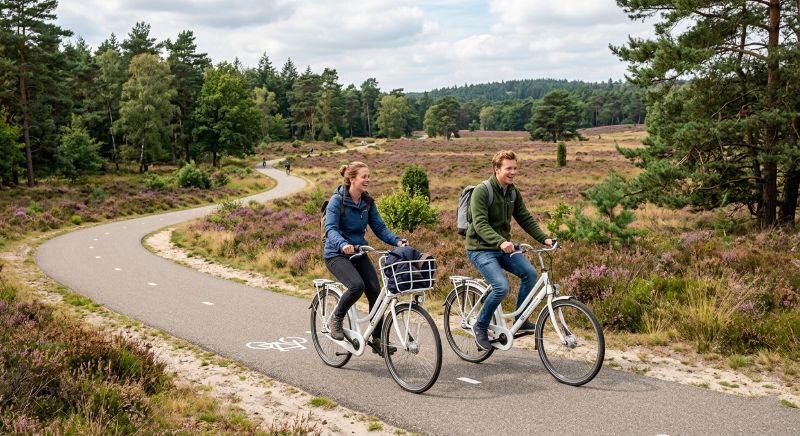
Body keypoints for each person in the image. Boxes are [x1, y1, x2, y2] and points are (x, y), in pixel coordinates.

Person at [466, 150, 553, 350]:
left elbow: (525, 218)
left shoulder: (512, 192)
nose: (513, 172)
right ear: (497, 169)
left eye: (515, 168)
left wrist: (544, 238)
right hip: (480, 249)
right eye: (508, 168)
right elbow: (480, 224)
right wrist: (500, 241)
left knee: (530, 273)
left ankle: (520, 321)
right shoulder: (482, 191)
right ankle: (481, 325)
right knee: (501, 286)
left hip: (502, 248)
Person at [323, 161, 406, 356]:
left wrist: (398, 242)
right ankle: (337, 318)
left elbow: (379, 228)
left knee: (376, 292)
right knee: (356, 285)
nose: (368, 180)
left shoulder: (367, 202)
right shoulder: (338, 200)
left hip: (358, 252)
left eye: (369, 176)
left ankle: (377, 339)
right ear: (352, 179)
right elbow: (331, 229)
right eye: (364, 176)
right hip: (336, 253)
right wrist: (343, 244)